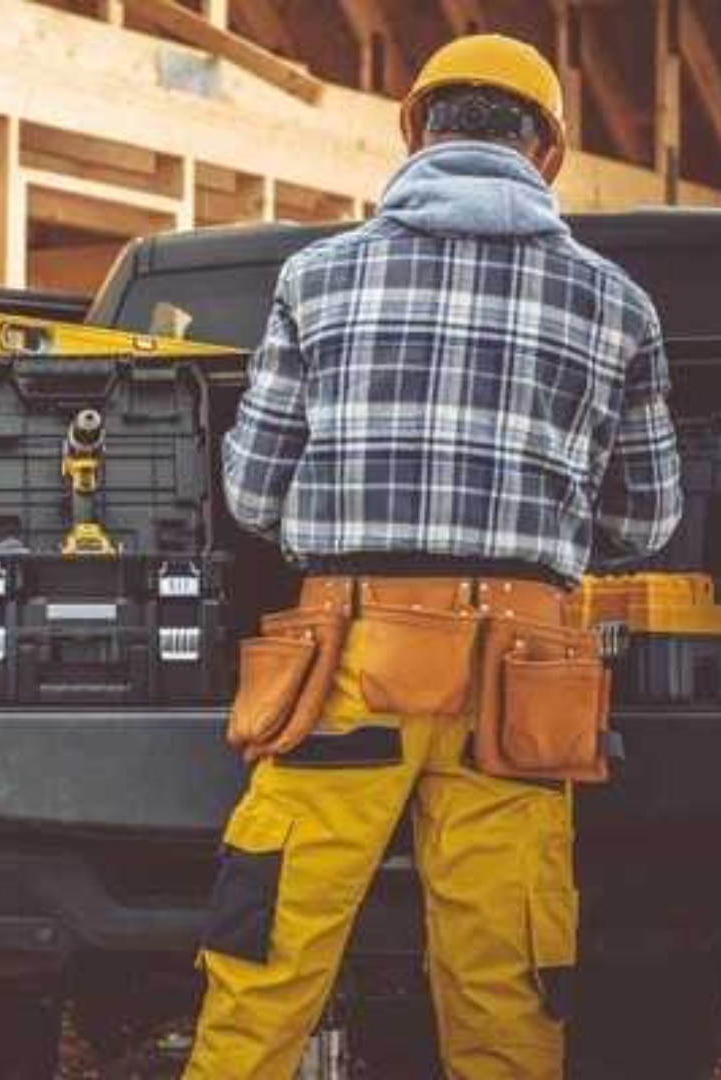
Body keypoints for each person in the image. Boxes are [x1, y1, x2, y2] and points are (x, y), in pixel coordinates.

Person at [185, 33, 683, 1080]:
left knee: (268, 955)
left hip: (347, 670)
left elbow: (251, 490)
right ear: (545, 150)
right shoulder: (618, 305)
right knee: (508, 976)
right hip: (525, 682)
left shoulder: (316, 279)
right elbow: (649, 523)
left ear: (416, 130)